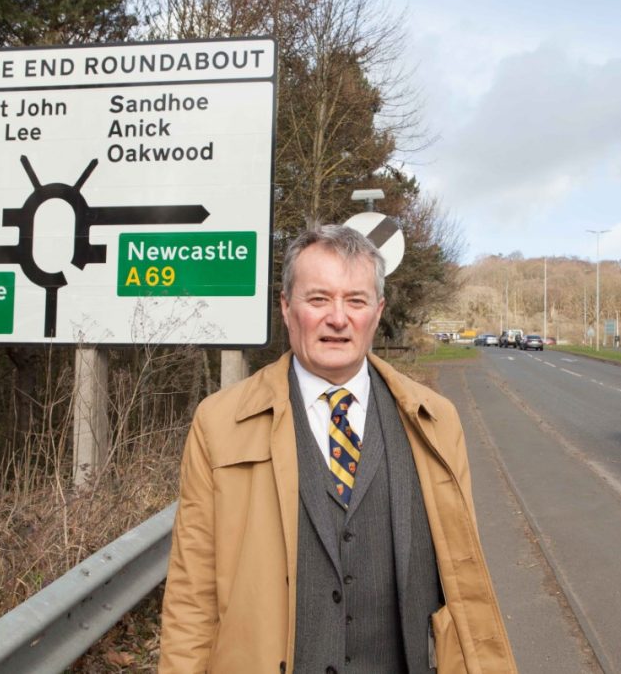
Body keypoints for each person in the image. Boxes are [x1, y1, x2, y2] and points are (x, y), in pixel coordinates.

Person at [159, 225, 516, 673]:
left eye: (356, 300)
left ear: (378, 311)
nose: (338, 318)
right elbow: (192, 598)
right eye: (319, 299)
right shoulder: (219, 424)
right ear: (287, 308)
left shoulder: (437, 422)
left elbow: (463, 585)